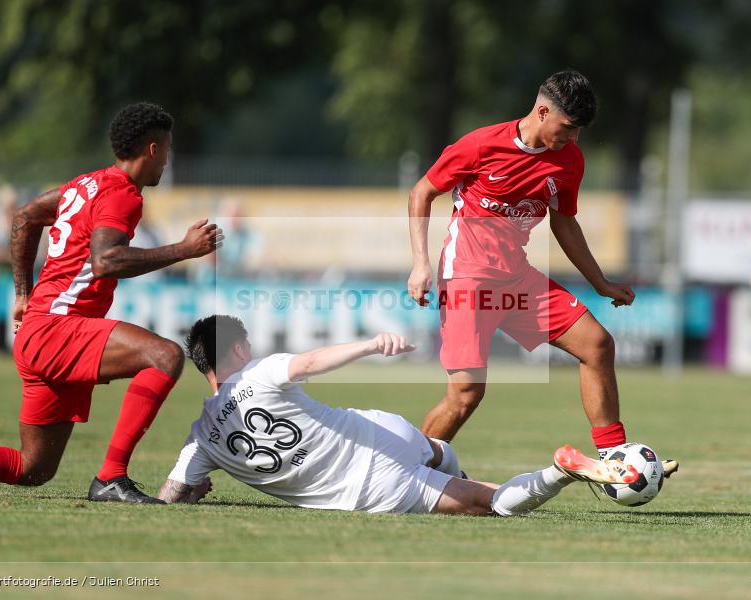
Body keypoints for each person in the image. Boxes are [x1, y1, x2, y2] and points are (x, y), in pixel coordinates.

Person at [0, 102, 223, 503]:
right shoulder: (122, 194)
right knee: (166, 356)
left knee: (33, 469)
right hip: (58, 329)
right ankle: (111, 478)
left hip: (41, 330)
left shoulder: (85, 184)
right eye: (168, 150)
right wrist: (183, 249)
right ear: (153, 150)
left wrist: (22, 293)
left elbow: (24, 218)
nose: (168, 160)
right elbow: (105, 262)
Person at [157, 315, 643, 515]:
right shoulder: (261, 371)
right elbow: (306, 363)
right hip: (379, 430)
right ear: (240, 346)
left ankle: (557, 473)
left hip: (366, 487)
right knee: (436, 452)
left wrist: (192, 493)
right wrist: (371, 343)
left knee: (486, 503)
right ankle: (452, 464)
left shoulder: (200, 440)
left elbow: (173, 495)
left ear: (203, 366)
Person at [407, 70, 634, 457]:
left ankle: (615, 457)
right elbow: (422, 191)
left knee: (597, 344)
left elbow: (564, 221)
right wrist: (420, 263)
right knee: (465, 395)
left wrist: (600, 283)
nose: (574, 138)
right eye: (568, 127)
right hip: (468, 278)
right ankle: (405, 466)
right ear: (542, 112)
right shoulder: (480, 145)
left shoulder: (569, 161)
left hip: (516, 279)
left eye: (580, 130)